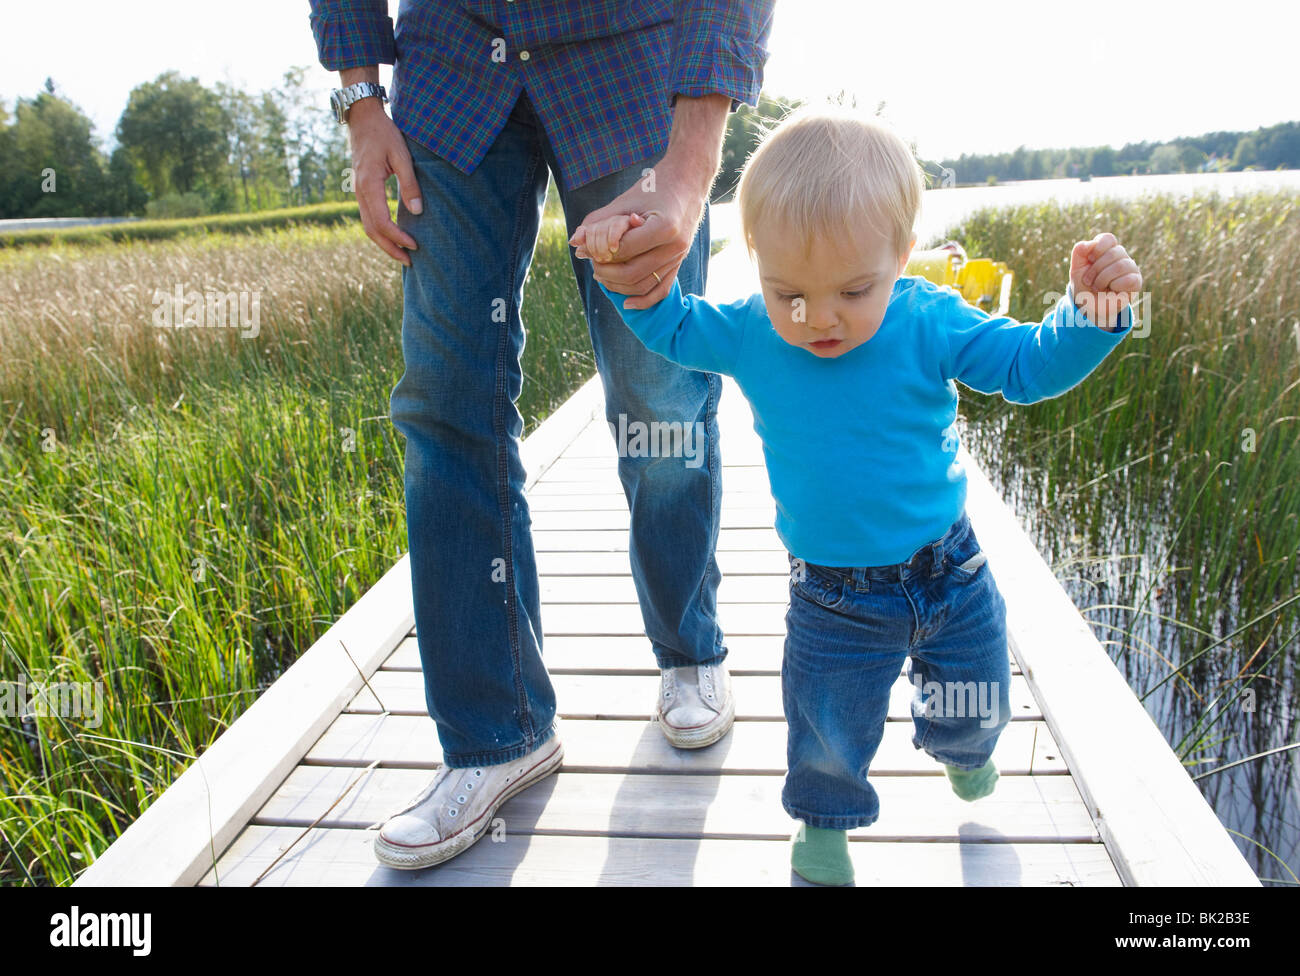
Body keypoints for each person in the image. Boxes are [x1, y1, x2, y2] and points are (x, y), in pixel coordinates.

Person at [575, 103, 1143, 885]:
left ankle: (964, 755)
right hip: (833, 599)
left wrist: (1091, 314)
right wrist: (630, 276)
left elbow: (1026, 366)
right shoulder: (748, 330)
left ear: (902, 255)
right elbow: (672, 329)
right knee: (826, 731)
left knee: (974, 710)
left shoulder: (928, 321)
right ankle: (823, 829)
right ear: (756, 265)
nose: (819, 319)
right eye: (790, 294)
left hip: (950, 572)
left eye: (854, 289)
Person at [308, 1, 775, 870]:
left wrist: (692, 153)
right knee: (444, 402)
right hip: (453, 64)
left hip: (630, 52)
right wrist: (362, 100)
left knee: (658, 388)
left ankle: (689, 646)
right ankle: (497, 734)